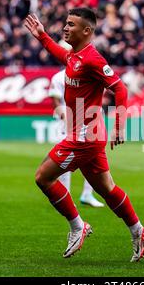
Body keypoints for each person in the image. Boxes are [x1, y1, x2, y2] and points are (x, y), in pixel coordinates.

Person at [24, 8, 144, 261]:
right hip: (87, 133)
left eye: (71, 24)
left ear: (87, 31)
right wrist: (42, 36)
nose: (65, 28)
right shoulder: (75, 56)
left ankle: (77, 226)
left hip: (85, 136)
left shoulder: (93, 59)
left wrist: (120, 125)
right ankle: (139, 231)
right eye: (65, 23)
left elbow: (120, 88)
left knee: (43, 177)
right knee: (107, 188)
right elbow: (62, 55)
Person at [49, 68, 105, 208]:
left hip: (90, 122)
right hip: (68, 123)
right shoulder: (58, 77)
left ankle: (87, 194)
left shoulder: (89, 72)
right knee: (65, 161)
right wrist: (65, 118)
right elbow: (55, 100)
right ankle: (65, 196)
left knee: (93, 158)